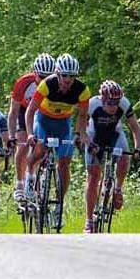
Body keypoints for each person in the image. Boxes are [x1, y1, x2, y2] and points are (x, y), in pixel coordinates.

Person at [25, 53, 91, 226]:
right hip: (43, 120)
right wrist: (30, 133)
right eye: (64, 75)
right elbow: (30, 111)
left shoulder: (82, 90)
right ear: (58, 73)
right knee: (40, 150)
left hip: (63, 124)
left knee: (64, 162)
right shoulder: (47, 84)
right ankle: (30, 174)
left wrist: (79, 134)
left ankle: (58, 206)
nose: (68, 80)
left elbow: (83, 115)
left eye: (72, 76)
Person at [83, 80, 140, 233]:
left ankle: (117, 188)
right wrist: (89, 144)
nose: (114, 106)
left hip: (114, 134)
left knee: (124, 154)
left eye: (117, 102)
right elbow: (80, 129)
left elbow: (135, 127)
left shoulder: (124, 103)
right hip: (94, 136)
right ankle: (89, 221)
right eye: (110, 102)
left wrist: (138, 148)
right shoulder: (91, 105)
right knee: (93, 176)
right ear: (102, 99)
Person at [8, 53, 56, 201]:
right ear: (35, 73)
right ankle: (20, 184)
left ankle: (38, 177)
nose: (45, 81)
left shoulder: (57, 84)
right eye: (42, 77)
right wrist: (11, 136)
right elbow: (14, 111)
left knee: (44, 147)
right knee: (22, 146)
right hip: (24, 112)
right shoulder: (23, 83)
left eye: (49, 77)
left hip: (43, 114)